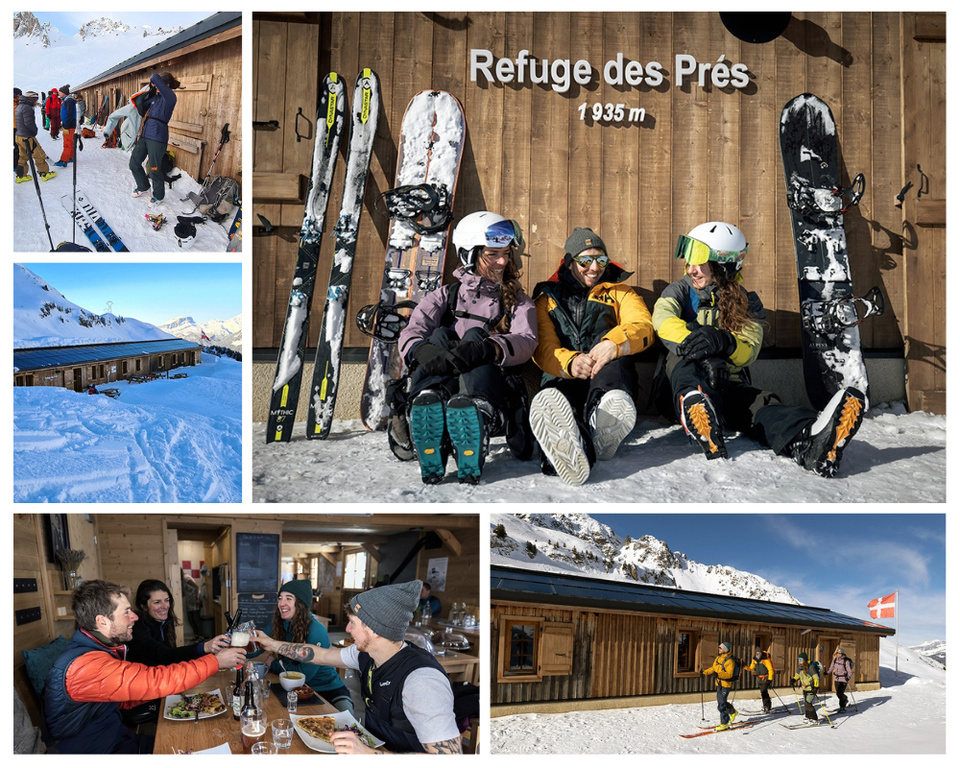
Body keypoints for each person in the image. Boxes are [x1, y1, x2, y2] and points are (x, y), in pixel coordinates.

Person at [652, 221, 867, 477]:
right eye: (689, 258)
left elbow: (749, 350)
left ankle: (809, 441)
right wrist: (707, 352)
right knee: (683, 361)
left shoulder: (746, 302)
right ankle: (696, 403)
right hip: (675, 389)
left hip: (725, 384)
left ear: (722, 266)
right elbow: (663, 321)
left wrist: (726, 343)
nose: (691, 268)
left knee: (760, 404)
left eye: (699, 260)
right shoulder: (680, 290)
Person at [395, 211, 537, 485]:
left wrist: (488, 349)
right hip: (443, 377)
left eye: (507, 254)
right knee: (438, 334)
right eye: (493, 254)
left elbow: (526, 339)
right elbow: (413, 330)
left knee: (474, 335)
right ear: (469, 255)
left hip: (486, 383)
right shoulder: (445, 296)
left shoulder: (517, 301)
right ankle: (428, 410)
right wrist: (421, 351)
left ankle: (475, 417)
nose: (503, 261)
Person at [253, 580, 461, 754]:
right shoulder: (365, 653)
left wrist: (368, 755)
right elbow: (320, 654)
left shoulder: (421, 681)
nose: (346, 629)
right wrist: (270, 643)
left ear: (374, 629)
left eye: (352, 622)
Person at [42, 579, 246, 753]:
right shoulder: (86, 666)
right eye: (127, 612)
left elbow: (120, 698)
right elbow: (156, 679)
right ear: (102, 621)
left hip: (117, 740)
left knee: (197, 743)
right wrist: (216, 661)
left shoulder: (96, 651)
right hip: (99, 751)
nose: (135, 617)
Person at [529, 226, 654, 485]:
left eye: (601, 260)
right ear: (570, 262)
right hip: (565, 377)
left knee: (612, 355)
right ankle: (572, 449)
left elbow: (643, 326)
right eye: (585, 260)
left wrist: (614, 344)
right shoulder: (547, 300)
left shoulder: (621, 292)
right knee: (560, 407)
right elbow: (543, 347)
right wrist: (570, 362)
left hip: (608, 377)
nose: (594, 268)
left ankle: (603, 415)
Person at [250, 579, 354, 713]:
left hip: (328, 689)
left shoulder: (316, 629)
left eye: (288, 598)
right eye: (280, 598)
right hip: (294, 690)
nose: (282, 603)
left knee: (349, 725)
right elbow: (256, 647)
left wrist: (274, 664)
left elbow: (303, 675)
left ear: (301, 604)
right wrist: (234, 648)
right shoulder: (278, 624)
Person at [128, 579, 230, 665]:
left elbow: (173, 656)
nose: (165, 606)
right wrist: (205, 647)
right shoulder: (136, 626)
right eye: (157, 602)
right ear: (144, 606)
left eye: (167, 600)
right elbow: (163, 655)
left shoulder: (165, 622)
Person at [130, 71, 179, 206]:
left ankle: (158, 196)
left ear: (166, 85)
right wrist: (142, 98)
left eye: (159, 85)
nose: (156, 87)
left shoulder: (170, 98)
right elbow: (141, 109)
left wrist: (154, 82)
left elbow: (154, 77)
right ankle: (143, 186)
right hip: (145, 134)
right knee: (134, 163)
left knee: (154, 169)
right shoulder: (155, 98)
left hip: (158, 136)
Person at [15, 91, 56, 183]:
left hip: (18, 136)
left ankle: (20, 176)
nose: (36, 102)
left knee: (23, 156)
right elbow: (29, 123)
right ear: (31, 99)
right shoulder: (27, 108)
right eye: (35, 100)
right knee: (39, 154)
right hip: (27, 136)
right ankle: (44, 173)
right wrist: (34, 132)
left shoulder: (19, 106)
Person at [702, 640, 739, 731]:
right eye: (719, 647)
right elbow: (713, 668)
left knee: (721, 704)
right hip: (718, 684)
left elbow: (729, 674)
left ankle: (724, 723)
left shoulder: (730, 661)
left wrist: (718, 675)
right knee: (721, 702)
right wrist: (704, 673)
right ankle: (732, 712)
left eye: (721, 648)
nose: (719, 649)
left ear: (725, 649)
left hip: (725, 685)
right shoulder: (718, 658)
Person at [792, 652, 821, 722]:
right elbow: (797, 675)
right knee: (806, 703)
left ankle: (814, 718)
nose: (800, 661)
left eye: (801, 659)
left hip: (811, 687)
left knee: (808, 703)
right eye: (799, 659)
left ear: (805, 659)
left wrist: (816, 687)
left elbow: (816, 677)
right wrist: (793, 679)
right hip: (805, 688)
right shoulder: (800, 668)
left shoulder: (810, 667)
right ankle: (808, 716)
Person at [745, 647, 776, 713]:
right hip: (760, 679)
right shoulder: (755, 660)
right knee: (763, 692)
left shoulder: (765, 659)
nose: (758, 654)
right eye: (757, 653)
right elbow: (751, 668)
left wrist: (770, 679)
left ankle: (767, 706)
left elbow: (770, 669)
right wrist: (744, 666)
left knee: (763, 691)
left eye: (759, 653)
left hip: (766, 678)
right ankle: (766, 706)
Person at [826, 646, 854, 712]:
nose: (838, 654)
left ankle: (842, 707)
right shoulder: (835, 660)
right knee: (838, 693)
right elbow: (831, 667)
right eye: (837, 653)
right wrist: (827, 672)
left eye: (839, 653)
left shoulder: (846, 661)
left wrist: (848, 677)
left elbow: (849, 671)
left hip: (843, 679)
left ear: (842, 654)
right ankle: (845, 699)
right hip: (836, 678)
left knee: (840, 693)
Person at [54, 84, 76, 167]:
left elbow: (70, 114)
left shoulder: (69, 101)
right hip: (68, 124)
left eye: (60, 92)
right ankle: (70, 156)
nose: (59, 93)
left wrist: (66, 126)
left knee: (67, 142)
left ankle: (64, 160)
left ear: (64, 93)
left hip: (69, 125)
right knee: (69, 141)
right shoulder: (67, 100)